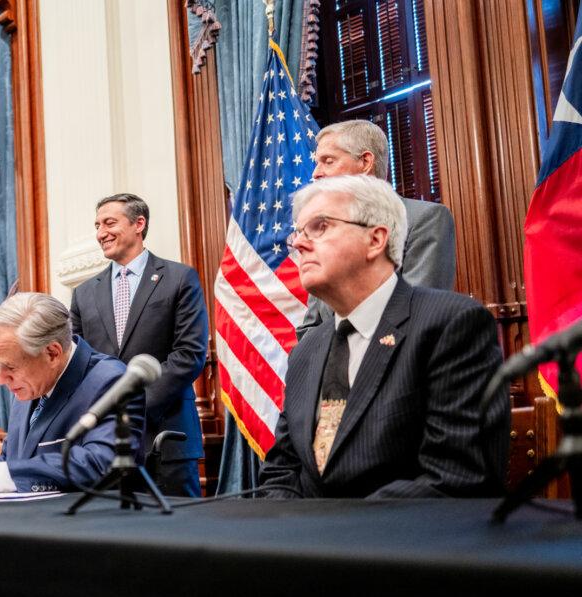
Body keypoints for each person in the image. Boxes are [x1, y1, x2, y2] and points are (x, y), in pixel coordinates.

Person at [257, 175, 510, 498]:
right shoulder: (307, 350)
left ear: (375, 240)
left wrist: (333, 536)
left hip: (408, 542)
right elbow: (281, 472)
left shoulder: (450, 325)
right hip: (306, 542)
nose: (299, 244)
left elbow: (456, 476)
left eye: (320, 227)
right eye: (299, 233)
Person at [0, 292, 146, 493]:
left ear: (51, 353)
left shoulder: (112, 382)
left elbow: (100, 464)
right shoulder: (28, 387)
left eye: (10, 367)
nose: (0, 379)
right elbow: (11, 460)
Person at [69, 193, 208, 498]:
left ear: (138, 224)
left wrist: (130, 406)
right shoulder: (83, 294)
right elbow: (77, 362)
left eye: (109, 222)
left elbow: (189, 355)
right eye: (97, 225)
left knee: (177, 534)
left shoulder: (179, 278)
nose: (100, 232)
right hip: (103, 443)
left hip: (166, 436)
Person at [299, 119, 458, 336]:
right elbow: (309, 328)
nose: (316, 173)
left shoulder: (424, 219)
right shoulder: (321, 232)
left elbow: (417, 314)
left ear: (365, 162)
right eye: (317, 163)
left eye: (328, 161)